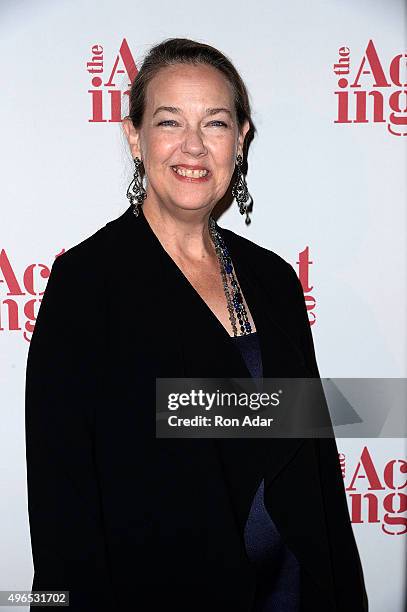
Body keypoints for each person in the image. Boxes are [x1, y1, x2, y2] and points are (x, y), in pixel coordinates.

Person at [25, 37, 368, 611]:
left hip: (293, 589)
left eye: (214, 123)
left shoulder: (274, 280)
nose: (192, 146)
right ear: (134, 137)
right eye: (168, 121)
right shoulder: (87, 283)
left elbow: (310, 454)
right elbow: (63, 498)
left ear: (241, 138)